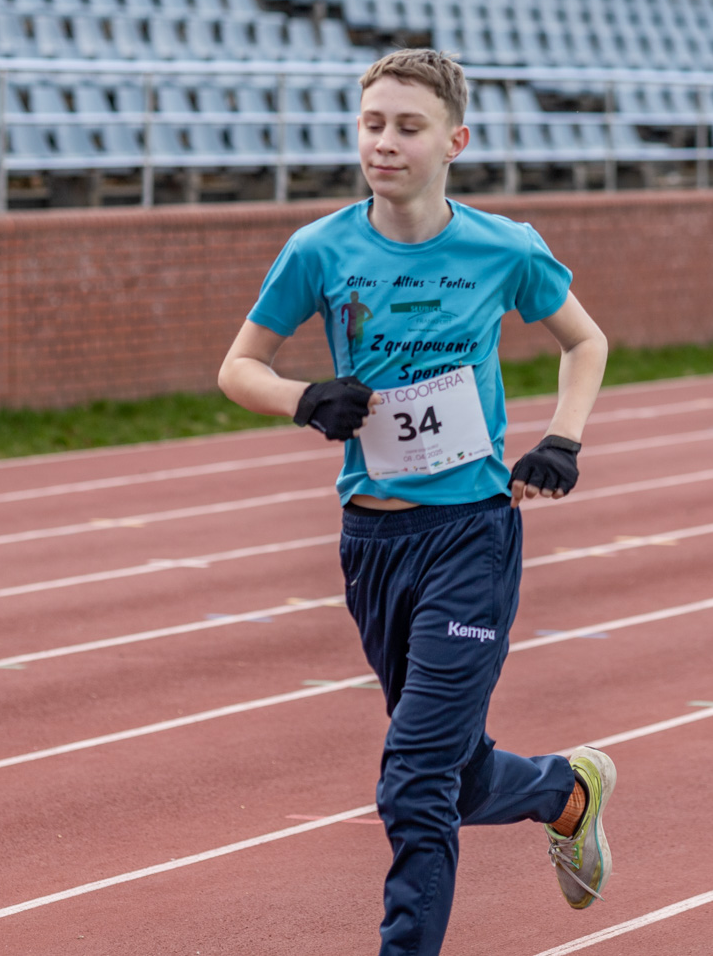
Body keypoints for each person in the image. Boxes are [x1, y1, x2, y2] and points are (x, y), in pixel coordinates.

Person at [218, 49, 615, 954]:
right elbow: (238, 366)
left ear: (454, 142)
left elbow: (585, 341)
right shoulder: (319, 249)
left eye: (407, 127)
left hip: (470, 536)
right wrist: (303, 397)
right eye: (372, 124)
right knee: (450, 772)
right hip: (371, 542)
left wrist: (563, 438)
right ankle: (566, 793)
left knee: (412, 781)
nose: (385, 143)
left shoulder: (503, 247)